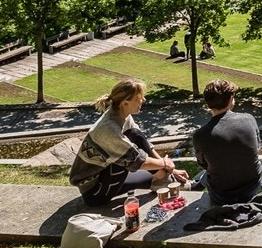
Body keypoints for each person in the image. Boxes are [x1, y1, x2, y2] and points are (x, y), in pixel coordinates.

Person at [70, 79, 187, 207]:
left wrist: (170, 169)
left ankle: (163, 179)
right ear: (126, 103)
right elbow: (137, 160)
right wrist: (165, 163)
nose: (143, 100)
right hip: (95, 192)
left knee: (135, 135)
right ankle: (165, 180)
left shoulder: (122, 114)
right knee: (130, 152)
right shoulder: (108, 128)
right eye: (139, 98)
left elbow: (144, 144)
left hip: (107, 176)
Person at [190, 79, 262, 206]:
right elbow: (256, 148)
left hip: (221, 194)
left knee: (213, 168)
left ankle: (196, 186)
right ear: (231, 99)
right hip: (252, 185)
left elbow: (203, 164)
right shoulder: (249, 119)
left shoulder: (199, 135)